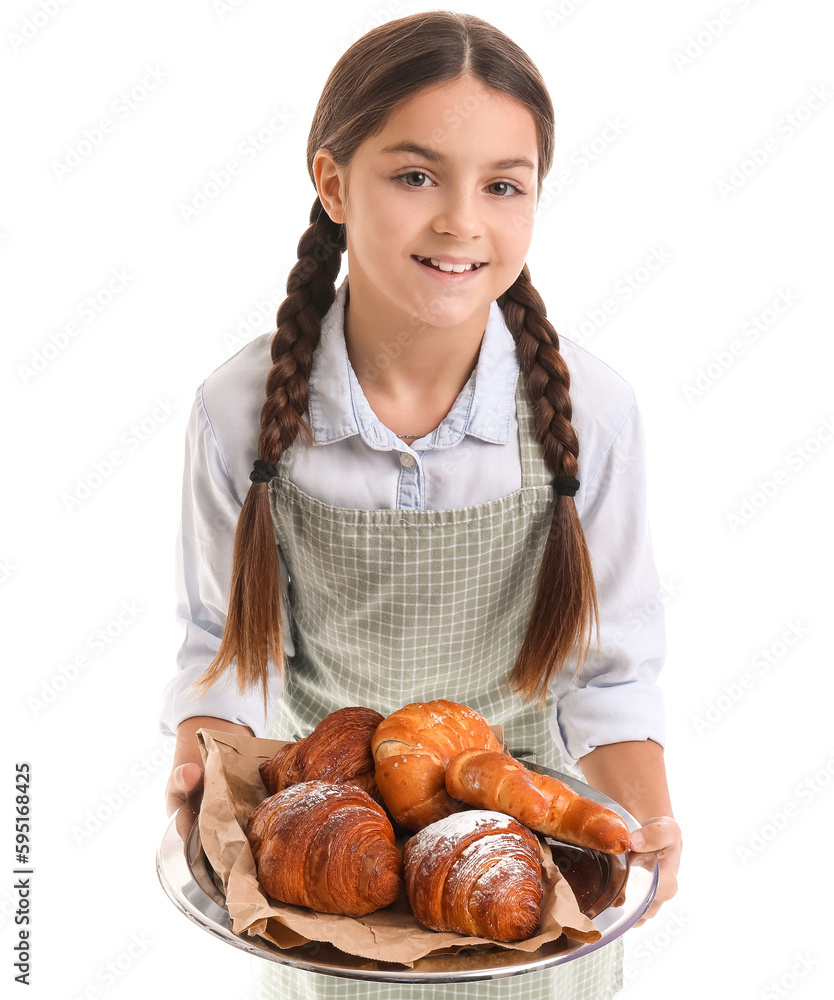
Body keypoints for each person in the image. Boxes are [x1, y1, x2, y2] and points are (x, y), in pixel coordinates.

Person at [160, 11, 681, 1000]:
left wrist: (645, 822)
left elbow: (611, 680)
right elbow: (219, 656)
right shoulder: (238, 411)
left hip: (528, 845)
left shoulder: (593, 409)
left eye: (503, 185)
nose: (461, 222)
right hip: (326, 831)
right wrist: (201, 774)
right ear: (332, 183)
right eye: (414, 176)